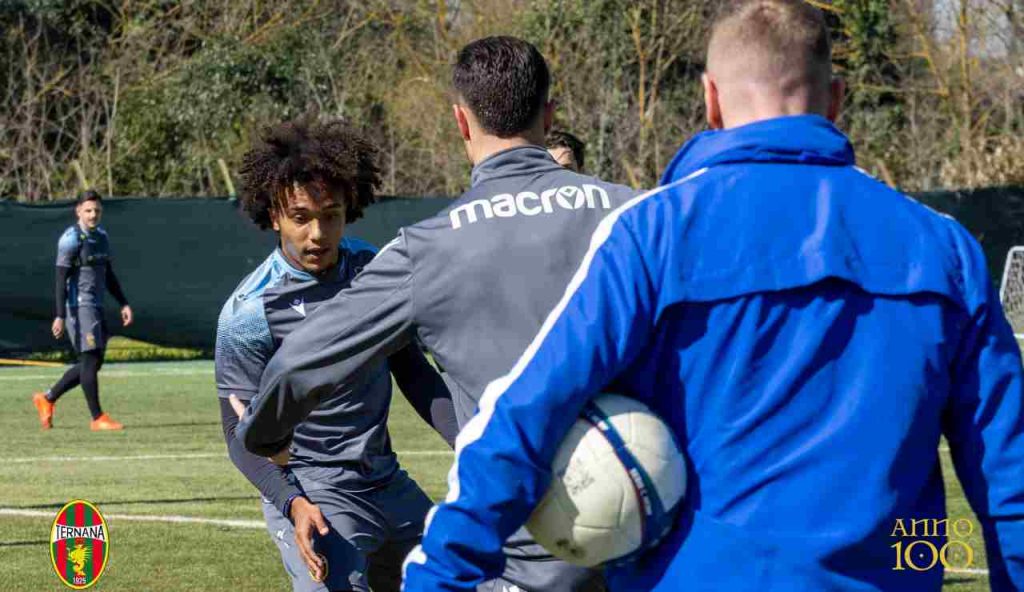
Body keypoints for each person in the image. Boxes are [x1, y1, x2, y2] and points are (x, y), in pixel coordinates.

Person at [402, 2, 1024, 591]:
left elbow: (527, 412)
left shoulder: (653, 234)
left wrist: (438, 576)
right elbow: (1009, 482)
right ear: (835, 102)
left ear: (711, 102)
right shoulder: (943, 251)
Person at [236, 37, 639, 592]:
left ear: (460, 122)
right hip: (650, 543)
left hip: (523, 558)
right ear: (549, 115)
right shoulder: (637, 214)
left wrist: (264, 434)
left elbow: (299, 362)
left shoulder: (428, 249)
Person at [216, 114, 458, 592]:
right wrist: (291, 502)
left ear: (350, 208)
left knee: (462, 579)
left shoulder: (372, 272)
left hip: (387, 481)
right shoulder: (248, 312)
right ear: (274, 216)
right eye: (301, 217)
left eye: (331, 215)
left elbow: (413, 371)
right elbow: (235, 432)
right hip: (313, 493)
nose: (318, 234)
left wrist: (473, 442)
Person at [32, 190, 132, 431]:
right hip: (79, 307)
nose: (93, 214)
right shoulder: (71, 239)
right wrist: (60, 315)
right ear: (78, 211)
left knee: (93, 363)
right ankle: (97, 418)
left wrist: (123, 303)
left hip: (96, 307)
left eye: (96, 210)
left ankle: (47, 398)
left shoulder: (102, 237)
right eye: (88, 210)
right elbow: (60, 279)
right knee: (89, 359)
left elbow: (108, 275)